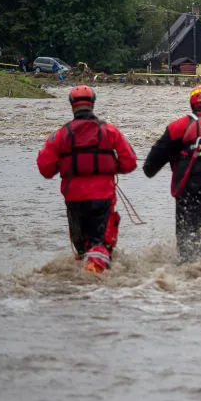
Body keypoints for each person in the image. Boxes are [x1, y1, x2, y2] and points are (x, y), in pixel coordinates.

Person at [36, 85, 137, 273]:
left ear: (72, 106)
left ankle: (83, 281)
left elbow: (45, 168)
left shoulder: (59, 135)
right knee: (100, 245)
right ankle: (97, 279)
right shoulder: (110, 131)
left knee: (82, 249)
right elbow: (130, 162)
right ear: (92, 104)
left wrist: (66, 165)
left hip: (74, 200)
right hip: (103, 198)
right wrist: (109, 167)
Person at [143, 85, 201, 263]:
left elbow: (150, 167)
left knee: (187, 234)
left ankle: (189, 270)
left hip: (188, 189)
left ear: (192, 104)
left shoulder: (178, 127)